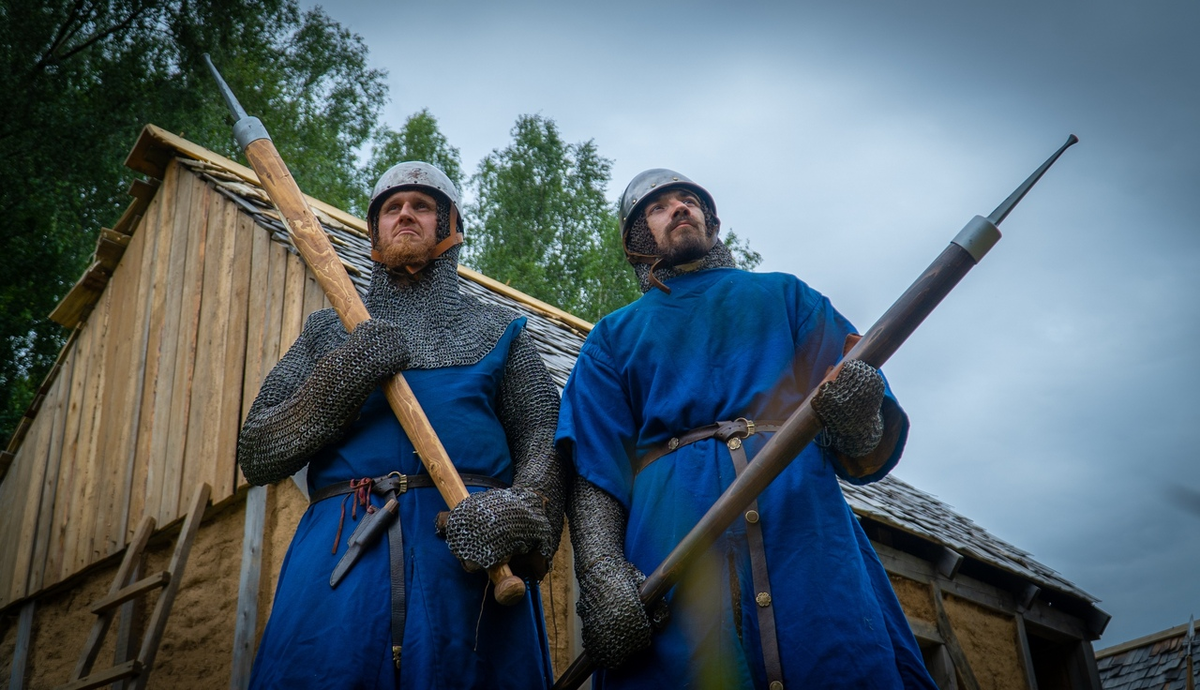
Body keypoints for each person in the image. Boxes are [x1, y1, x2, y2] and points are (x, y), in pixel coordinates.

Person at [556, 169, 937, 689]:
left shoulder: (785, 296)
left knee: (833, 656)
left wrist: (857, 414)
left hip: (803, 528)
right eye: (659, 207)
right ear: (639, 238)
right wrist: (602, 573)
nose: (680, 208)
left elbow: (860, 426)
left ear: (711, 221)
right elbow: (595, 472)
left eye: (688, 200)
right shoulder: (612, 337)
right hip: (673, 537)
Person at [237, 162, 565, 689]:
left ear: (449, 226)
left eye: (422, 206)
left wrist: (520, 509)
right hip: (342, 559)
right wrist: (344, 375)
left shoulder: (498, 330)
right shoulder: (328, 332)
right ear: (375, 231)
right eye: (393, 208)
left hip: (469, 558)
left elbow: (543, 436)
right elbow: (257, 451)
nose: (406, 214)